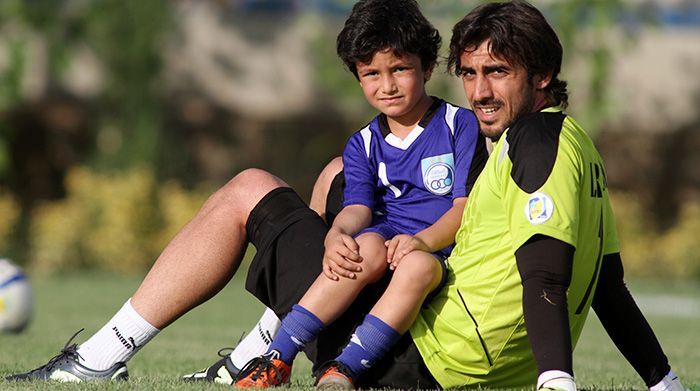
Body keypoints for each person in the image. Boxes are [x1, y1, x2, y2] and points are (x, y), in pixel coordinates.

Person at [7, 1, 688, 390]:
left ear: (541, 78)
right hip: (408, 317)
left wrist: (555, 380)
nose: (479, 90)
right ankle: (260, 347)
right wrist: (662, 381)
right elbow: (601, 276)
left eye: (497, 73)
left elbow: (544, 261)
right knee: (336, 183)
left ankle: (101, 357)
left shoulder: (518, 141)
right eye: (472, 73)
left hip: (413, 338)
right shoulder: (565, 145)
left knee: (250, 188)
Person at [232, 0, 484, 388]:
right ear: (358, 77)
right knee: (360, 248)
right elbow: (358, 208)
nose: (387, 85)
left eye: (400, 69)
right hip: (384, 242)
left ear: (428, 67)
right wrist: (337, 234)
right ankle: (277, 356)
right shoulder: (362, 143)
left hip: (438, 248)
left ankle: (345, 368)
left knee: (417, 266)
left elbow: (464, 208)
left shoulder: (459, 124)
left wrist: (421, 241)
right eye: (371, 74)